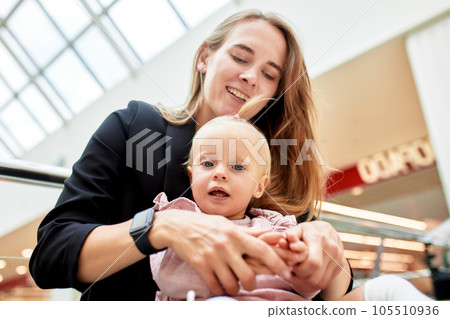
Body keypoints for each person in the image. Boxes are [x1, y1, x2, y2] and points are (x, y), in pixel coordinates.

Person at [29, 10, 352, 301]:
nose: (251, 77)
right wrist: (160, 226)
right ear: (204, 58)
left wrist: (326, 246)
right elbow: (51, 255)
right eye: (240, 57)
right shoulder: (134, 127)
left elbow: (336, 295)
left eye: (269, 75)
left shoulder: (277, 166)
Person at [151, 113, 318, 301]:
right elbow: (167, 277)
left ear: (259, 186)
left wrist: (300, 262)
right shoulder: (178, 220)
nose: (220, 173)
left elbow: (308, 287)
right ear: (191, 177)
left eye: (237, 167)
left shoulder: (275, 228)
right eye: (208, 163)